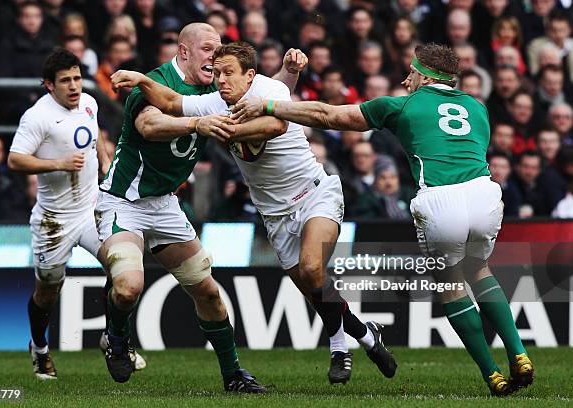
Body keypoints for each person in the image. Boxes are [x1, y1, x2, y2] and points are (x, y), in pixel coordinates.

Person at [230, 43, 533, 397]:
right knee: (479, 270)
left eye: (411, 72)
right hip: (485, 193)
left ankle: (492, 375)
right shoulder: (479, 109)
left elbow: (329, 116)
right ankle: (520, 353)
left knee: (451, 284)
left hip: (440, 199)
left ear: (425, 76)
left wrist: (268, 104)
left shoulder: (400, 105)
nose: (406, 79)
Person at [111, 41, 397, 385]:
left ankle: (339, 348)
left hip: (314, 194)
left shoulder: (270, 89)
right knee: (312, 287)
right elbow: (171, 102)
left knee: (311, 268)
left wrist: (220, 127)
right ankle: (366, 334)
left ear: (250, 75)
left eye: (228, 73)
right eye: (216, 74)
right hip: (274, 213)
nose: (220, 81)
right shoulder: (215, 103)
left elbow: (274, 127)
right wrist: (142, 80)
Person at [96, 23, 303, 391]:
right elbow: (150, 125)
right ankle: (116, 337)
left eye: (220, 47)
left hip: (165, 205)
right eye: (208, 48)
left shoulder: (214, 88)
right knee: (128, 287)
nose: (215, 55)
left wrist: (289, 71)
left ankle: (234, 376)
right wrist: (198, 123)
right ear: (184, 52)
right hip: (122, 202)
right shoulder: (159, 81)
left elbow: (260, 93)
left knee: (208, 292)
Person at [7, 48, 144, 380]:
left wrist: (106, 164)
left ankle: (113, 338)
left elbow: (93, 134)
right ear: (49, 86)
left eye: (77, 78)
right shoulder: (37, 117)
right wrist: (58, 163)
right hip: (54, 219)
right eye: (65, 81)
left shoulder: (89, 102)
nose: (73, 86)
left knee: (122, 267)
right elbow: (15, 160)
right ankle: (39, 349)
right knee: (48, 291)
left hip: (91, 209)